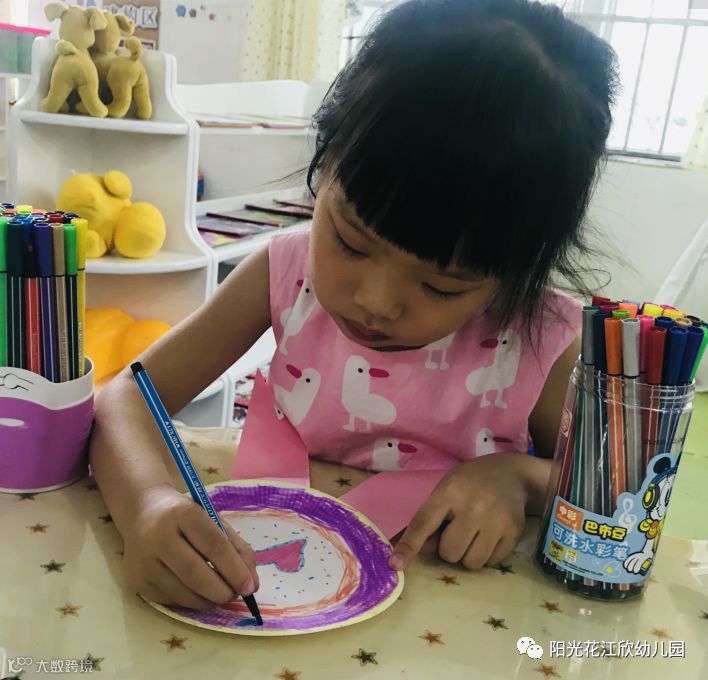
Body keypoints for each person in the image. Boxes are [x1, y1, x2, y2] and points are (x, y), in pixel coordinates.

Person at [89, 0, 617, 609]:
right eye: (350, 241)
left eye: (442, 286)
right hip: (278, 590)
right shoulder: (283, 272)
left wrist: (520, 479)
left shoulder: (544, 342)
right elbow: (128, 399)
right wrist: (149, 503)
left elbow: (609, 495)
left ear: (519, 270)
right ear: (325, 165)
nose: (376, 302)